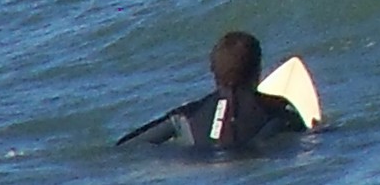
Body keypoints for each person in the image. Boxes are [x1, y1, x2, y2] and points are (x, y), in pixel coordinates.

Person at [115, 31, 305, 149]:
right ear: (257, 71)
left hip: (200, 162)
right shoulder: (280, 115)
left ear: (212, 71)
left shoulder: (184, 118)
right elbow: (309, 135)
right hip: (251, 160)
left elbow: (126, 147)